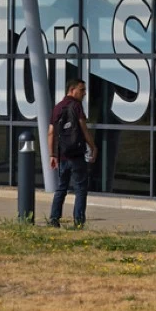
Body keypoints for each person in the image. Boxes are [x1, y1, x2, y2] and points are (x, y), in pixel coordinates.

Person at [47, 78, 97, 228]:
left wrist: (52, 155)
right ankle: (79, 222)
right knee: (81, 189)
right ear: (72, 90)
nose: (84, 93)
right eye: (82, 90)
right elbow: (83, 129)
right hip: (77, 156)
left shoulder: (58, 108)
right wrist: (93, 147)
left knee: (61, 188)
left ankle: (54, 219)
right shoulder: (76, 106)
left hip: (63, 155)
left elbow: (51, 133)